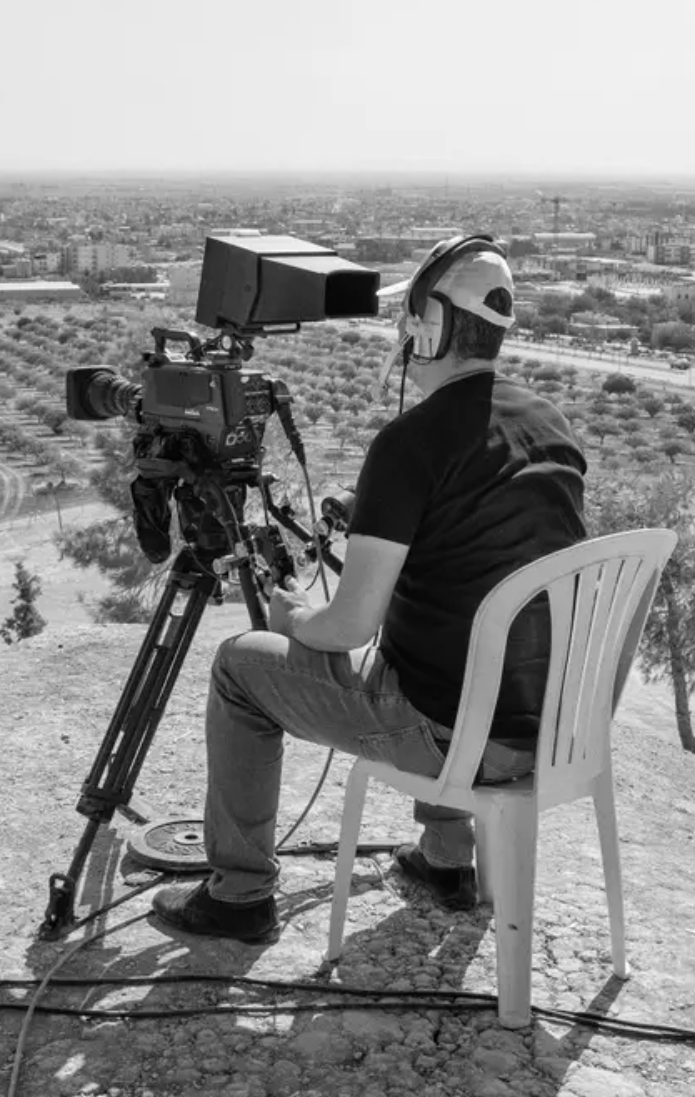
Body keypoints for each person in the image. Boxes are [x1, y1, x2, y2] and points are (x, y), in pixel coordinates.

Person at [151, 235, 588, 944]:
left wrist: (295, 618)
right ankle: (446, 861)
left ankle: (239, 897)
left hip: (451, 738)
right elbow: (485, 549)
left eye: (407, 321)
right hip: (548, 729)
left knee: (239, 665)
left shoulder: (411, 442)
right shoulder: (548, 422)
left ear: (429, 327)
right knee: (448, 654)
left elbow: (350, 628)